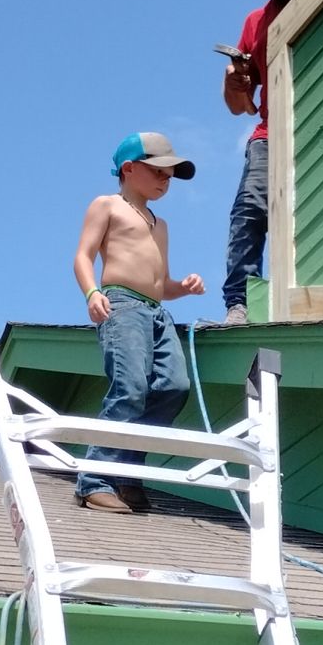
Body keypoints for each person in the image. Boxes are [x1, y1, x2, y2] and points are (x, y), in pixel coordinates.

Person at [71, 132, 207, 513]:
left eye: (171, 175)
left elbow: (160, 285)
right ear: (129, 169)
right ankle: (93, 480)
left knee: (174, 387)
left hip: (156, 312)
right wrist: (91, 293)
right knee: (130, 386)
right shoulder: (108, 206)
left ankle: (127, 474)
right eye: (159, 170)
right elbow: (82, 256)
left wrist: (183, 286)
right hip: (122, 305)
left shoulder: (159, 225)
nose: (166, 180)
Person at [219, 0, 307, 325]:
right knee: (250, 213)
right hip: (270, 133)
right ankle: (240, 305)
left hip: (321, 126)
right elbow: (240, 106)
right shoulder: (256, 22)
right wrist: (235, 82)